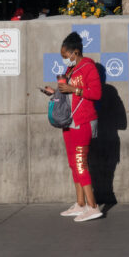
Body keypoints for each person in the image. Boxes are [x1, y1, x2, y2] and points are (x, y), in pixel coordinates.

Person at [41, 31, 103, 222]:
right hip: (69, 123)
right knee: (72, 164)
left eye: (66, 56)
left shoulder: (88, 68)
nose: (64, 60)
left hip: (82, 122)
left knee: (80, 163)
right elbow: (69, 96)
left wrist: (73, 89)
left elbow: (96, 93)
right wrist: (55, 92)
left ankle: (93, 206)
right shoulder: (70, 70)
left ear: (75, 52)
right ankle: (80, 204)